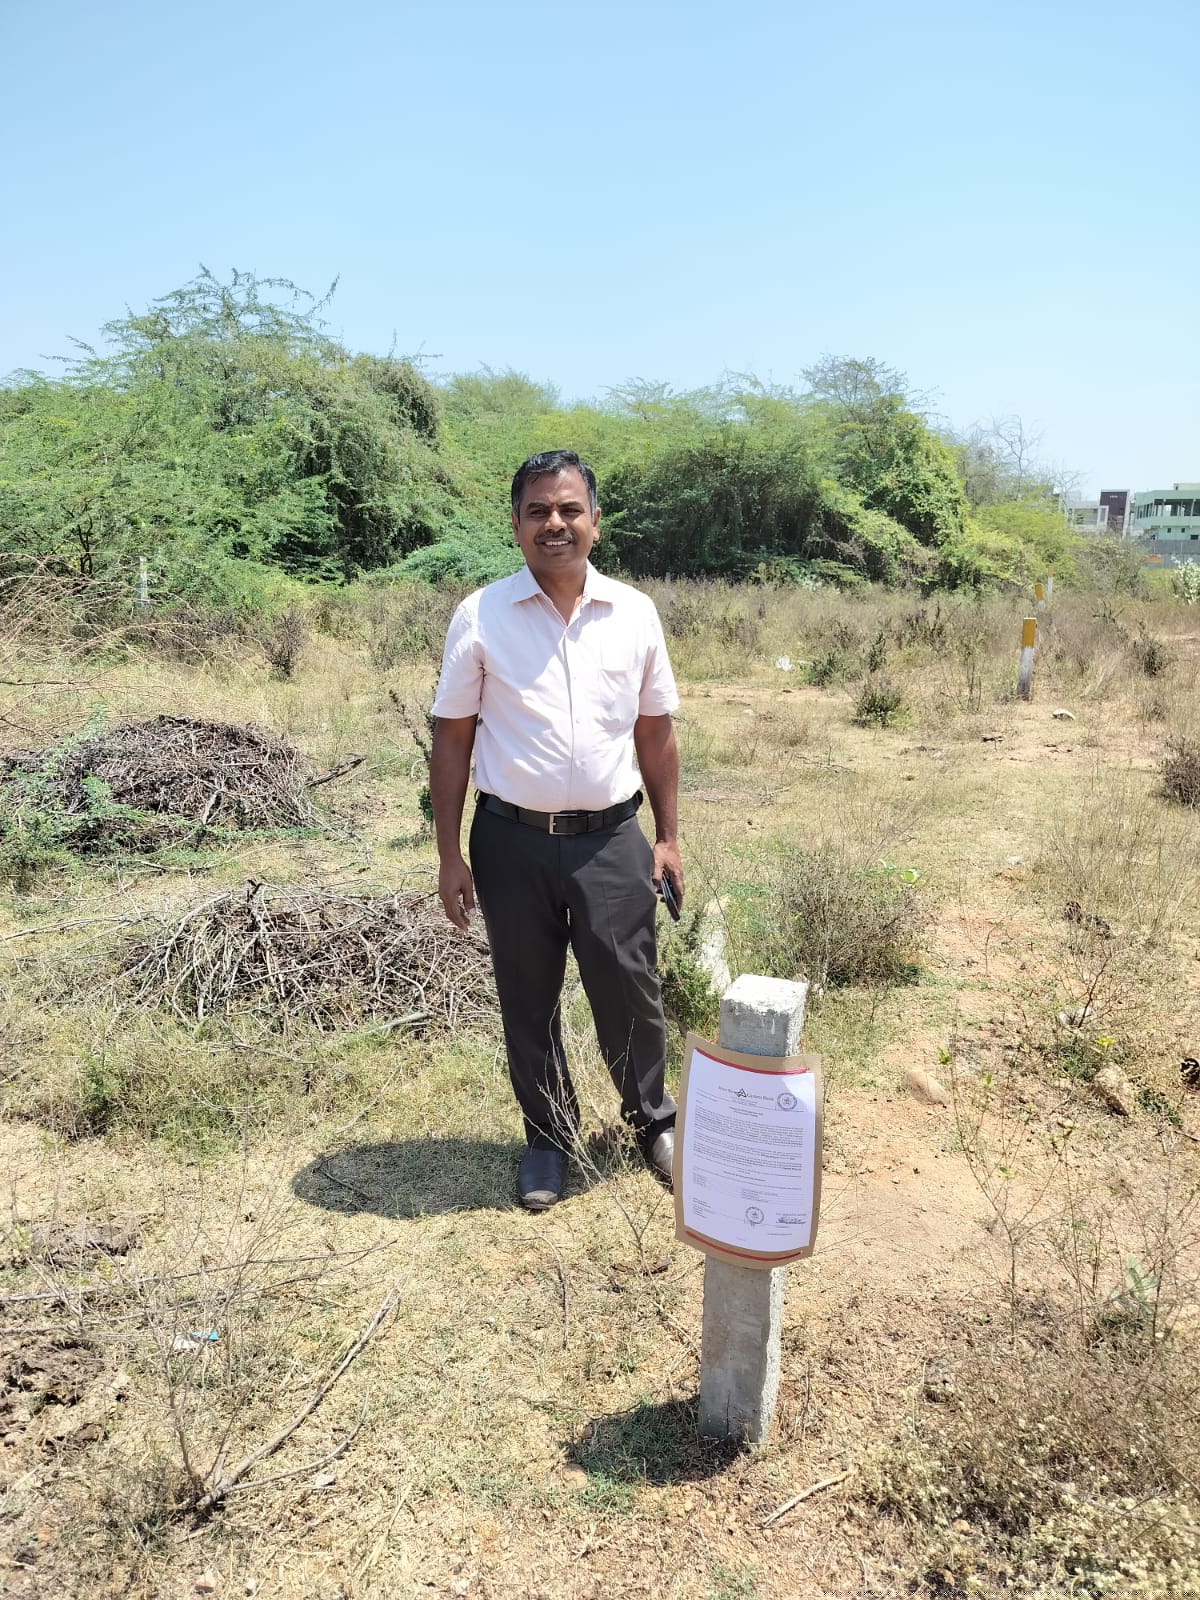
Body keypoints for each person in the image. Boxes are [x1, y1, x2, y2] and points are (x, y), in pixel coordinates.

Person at [429, 450, 684, 1210]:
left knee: (630, 986)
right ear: (515, 525)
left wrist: (667, 837)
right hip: (510, 841)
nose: (555, 524)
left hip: (612, 839)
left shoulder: (633, 613)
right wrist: (449, 854)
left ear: (595, 522)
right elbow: (452, 738)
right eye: (538, 511)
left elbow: (656, 732)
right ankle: (547, 1138)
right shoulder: (481, 615)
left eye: (570, 509)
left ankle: (652, 1120)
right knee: (527, 991)